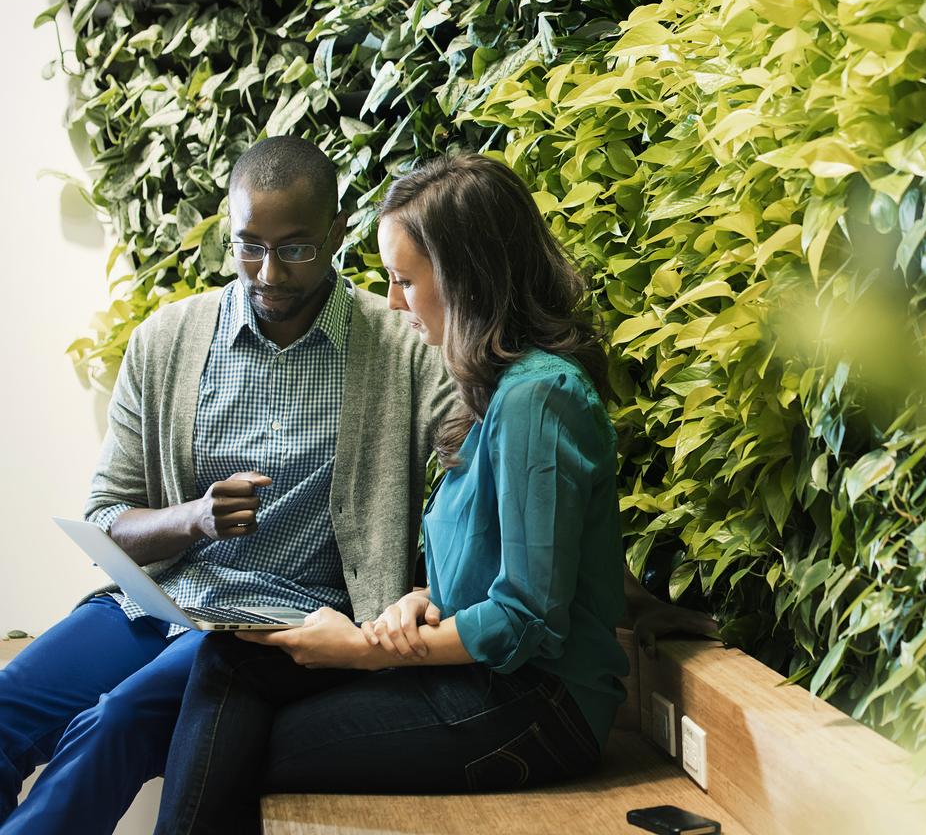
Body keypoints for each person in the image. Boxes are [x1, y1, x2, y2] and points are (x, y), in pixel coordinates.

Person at [152, 154, 646, 834]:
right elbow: (493, 563)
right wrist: (422, 599)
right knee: (231, 663)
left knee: (241, 746)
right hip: (482, 678)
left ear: (467, 278)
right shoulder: (497, 390)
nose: (391, 303)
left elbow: (528, 616)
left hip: (537, 707)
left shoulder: (542, 398)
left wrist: (362, 648)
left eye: (405, 281)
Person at [0, 136, 456, 835]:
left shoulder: (400, 349)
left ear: (336, 233)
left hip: (269, 629)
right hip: (149, 606)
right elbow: (106, 514)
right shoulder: (168, 340)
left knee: (113, 723)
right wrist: (195, 519)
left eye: (296, 248)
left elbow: (477, 469)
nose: (268, 273)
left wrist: (425, 592)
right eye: (249, 246)